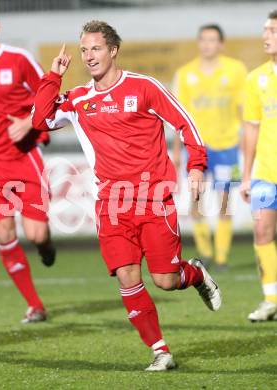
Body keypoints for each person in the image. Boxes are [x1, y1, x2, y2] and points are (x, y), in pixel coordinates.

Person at [32, 20, 221, 371]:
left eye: (96, 49)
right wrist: (52, 77)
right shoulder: (79, 99)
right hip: (112, 205)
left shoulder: (144, 87)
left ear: (113, 50)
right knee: (126, 277)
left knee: (165, 280)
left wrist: (196, 166)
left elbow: (185, 122)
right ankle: (160, 350)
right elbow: (40, 120)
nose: (89, 56)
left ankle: (194, 275)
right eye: (84, 49)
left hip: (154, 200)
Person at [0, 11, 56, 323]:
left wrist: (28, 122)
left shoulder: (17, 59)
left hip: (23, 158)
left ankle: (46, 247)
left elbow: (49, 93)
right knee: (3, 233)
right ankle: (35, 305)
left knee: (36, 234)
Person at [173, 25, 247, 270]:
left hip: (227, 146)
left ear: (221, 44)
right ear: (198, 43)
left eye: (212, 40)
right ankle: (205, 252)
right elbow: (178, 117)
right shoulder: (185, 74)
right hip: (195, 148)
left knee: (225, 202)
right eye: (203, 39)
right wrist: (175, 151)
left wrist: (246, 145)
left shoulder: (235, 70)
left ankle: (222, 257)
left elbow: (243, 111)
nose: (207, 44)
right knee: (196, 200)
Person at [241, 10, 277, 322]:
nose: (266, 35)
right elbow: (251, 128)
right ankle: (271, 298)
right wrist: (247, 175)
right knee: (262, 229)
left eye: (273, 30)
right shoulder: (255, 79)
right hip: (266, 173)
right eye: (265, 29)